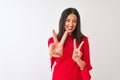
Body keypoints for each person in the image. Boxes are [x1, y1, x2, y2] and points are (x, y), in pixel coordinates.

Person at [48, 7, 92, 80]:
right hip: (59, 77)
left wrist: (78, 60)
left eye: (74, 21)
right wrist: (53, 54)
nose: (71, 24)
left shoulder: (83, 40)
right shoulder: (53, 40)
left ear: (77, 23)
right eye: (68, 20)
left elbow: (85, 65)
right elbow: (53, 60)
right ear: (62, 21)